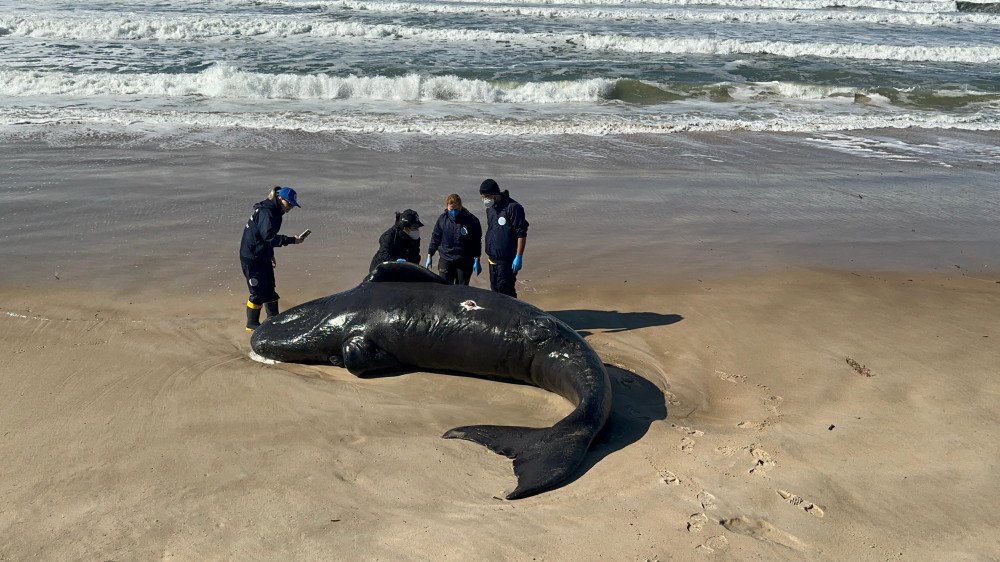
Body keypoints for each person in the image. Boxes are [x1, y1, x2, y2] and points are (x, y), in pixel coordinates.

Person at [239, 186, 306, 332]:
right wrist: (292, 240)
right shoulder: (267, 212)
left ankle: (274, 320)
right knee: (257, 293)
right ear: (280, 199)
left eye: (293, 205)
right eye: (289, 204)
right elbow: (268, 237)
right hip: (252, 258)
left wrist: (270, 254)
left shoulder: (275, 211)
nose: (290, 208)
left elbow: (264, 238)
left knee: (270, 289)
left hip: (262, 255)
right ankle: (252, 325)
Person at [479, 178, 528, 298]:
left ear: (495, 194)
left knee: (506, 291)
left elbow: (521, 234)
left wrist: (519, 256)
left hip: (507, 261)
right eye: (483, 197)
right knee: (495, 289)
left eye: (487, 196)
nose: (485, 199)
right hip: (492, 259)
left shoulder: (513, 208)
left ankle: (515, 310)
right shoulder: (490, 209)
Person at [425, 194, 483, 285]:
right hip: (446, 258)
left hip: (464, 260)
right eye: (451, 209)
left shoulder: (472, 220)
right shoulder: (442, 219)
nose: (453, 212)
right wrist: (430, 254)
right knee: (445, 287)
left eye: (456, 209)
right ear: (447, 207)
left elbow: (476, 241)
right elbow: (436, 237)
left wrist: (477, 258)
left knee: (462, 288)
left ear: (460, 207)